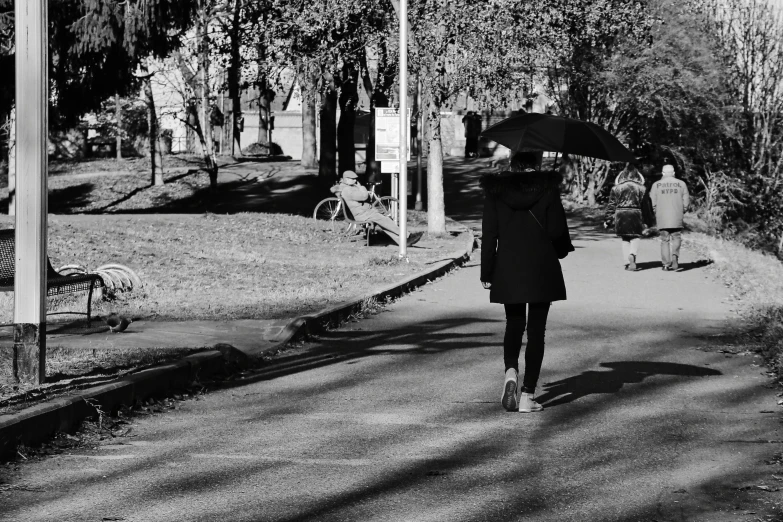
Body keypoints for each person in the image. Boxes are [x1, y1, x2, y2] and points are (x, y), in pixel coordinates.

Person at [480, 151, 574, 413]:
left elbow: (489, 235)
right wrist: (562, 249)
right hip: (541, 266)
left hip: (508, 267)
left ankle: (511, 370)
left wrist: (487, 272)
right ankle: (528, 395)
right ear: (537, 161)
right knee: (536, 331)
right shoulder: (547, 188)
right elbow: (557, 231)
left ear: (512, 160)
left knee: (514, 324)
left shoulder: (496, 190)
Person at [330, 170, 422, 246]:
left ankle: (402, 241)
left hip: (365, 212)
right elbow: (364, 196)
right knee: (385, 221)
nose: (355, 181)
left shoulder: (347, 188)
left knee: (385, 222)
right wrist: (361, 187)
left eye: (355, 179)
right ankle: (407, 236)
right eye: (353, 179)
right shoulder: (347, 190)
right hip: (363, 214)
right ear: (346, 179)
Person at [604, 165, 646, 271]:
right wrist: (648, 221)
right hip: (636, 214)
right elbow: (646, 206)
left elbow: (611, 205)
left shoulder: (616, 188)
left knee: (625, 238)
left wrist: (608, 220)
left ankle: (627, 263)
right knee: (635, 236)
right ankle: (632, 254)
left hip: (621, 215)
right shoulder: (642, 188)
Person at [650, 164, 690, 271]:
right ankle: (675, 256)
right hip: (676, 215)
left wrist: (656, 212)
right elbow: (686, 202)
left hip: (662, 216)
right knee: (676, 237)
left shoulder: (656, 185)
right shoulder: (682, 184)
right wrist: (682, 211)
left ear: (663, 173)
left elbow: (653, 202)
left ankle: (666, 265)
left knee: (664, 240)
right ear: (674, 173)